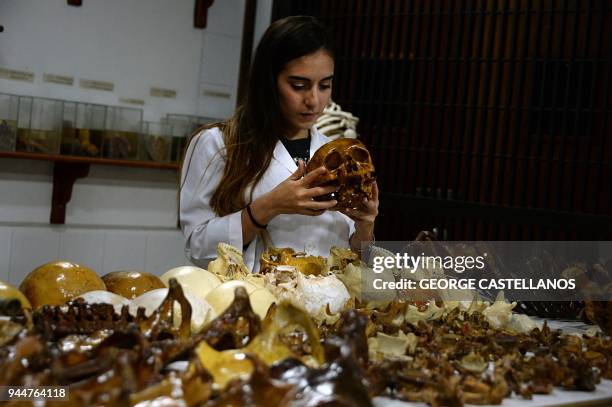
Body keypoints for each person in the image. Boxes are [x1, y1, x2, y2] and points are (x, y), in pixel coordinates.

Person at [180, 15, 378, 272]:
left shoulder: (337, 156)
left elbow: (357, 263)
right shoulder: (219, 143)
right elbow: (197, 247)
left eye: (325, 85)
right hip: (256, 302)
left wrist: (366, 225)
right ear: (268, 81)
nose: (314, 100)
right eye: (299, 85)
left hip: (328, 306)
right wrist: (269, 206)